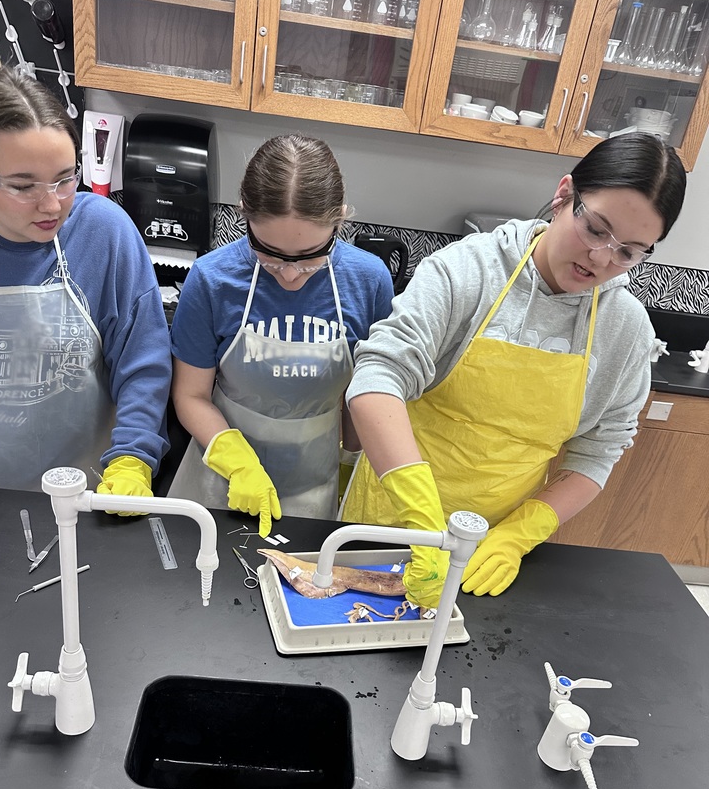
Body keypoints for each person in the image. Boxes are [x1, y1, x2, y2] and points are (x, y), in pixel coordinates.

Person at [341, 133, 687, 603]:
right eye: (595, 229)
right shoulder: (467, 271)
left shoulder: (625, 331)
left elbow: (599, 451)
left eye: (628, 251)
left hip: (489, 553)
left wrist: (519, 534)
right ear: (564, 195)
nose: (602, 258)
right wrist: (421, 515)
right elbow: (377, 379)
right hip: (389, 521)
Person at [0, 54, 171, 512]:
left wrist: (132, 458)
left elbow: (142, 364)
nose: (52, 205)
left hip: (81, 494)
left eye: (65, 179)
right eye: (22, 186)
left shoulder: (102, 232)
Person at [169, 133, 394, 532]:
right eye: (270, 254)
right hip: (219, 487)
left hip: (314, 489)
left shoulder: (368, 281)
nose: (290, 274)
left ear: (339, 219)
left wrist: (352, 466)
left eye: (309, 256)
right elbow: (190, 394)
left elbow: (362, 396)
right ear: (245, 216)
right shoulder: (211, 280)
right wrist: (235, 461)